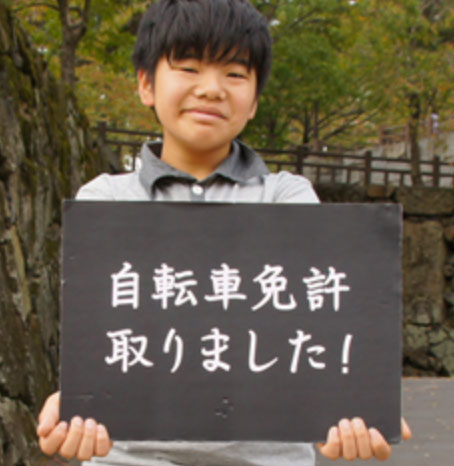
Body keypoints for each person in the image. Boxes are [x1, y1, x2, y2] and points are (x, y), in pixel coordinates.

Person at [37, 0, 412, 464]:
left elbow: (319, 338)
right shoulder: (106, 201)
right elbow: (95, 344)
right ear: (146, 84)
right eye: (189, 67)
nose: (211, 89)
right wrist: (72, 402)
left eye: (235, 74)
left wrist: (347, 408)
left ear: (254, 100)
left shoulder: (288, 196)